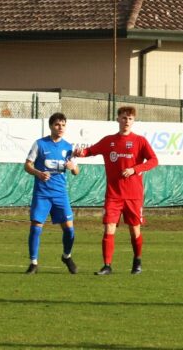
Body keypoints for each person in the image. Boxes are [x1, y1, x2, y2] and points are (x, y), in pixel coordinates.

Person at [73, 106, 158, 275]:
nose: (127, 121)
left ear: (133, 121)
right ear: (117, 119)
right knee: (109, 228)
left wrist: (135, 169)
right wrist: (80, 153)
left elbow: (154, 160)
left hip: (133, 195)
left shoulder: (140, 141)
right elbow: (90, 151)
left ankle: (137, 261)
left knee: (134, 230)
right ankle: (107, 265)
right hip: (113, 195)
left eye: (130, 118)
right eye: (124, 118)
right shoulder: (108, 141)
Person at [24, 112, 79, 274]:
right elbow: (27, 165)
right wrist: (38, 173)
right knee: (36, 227)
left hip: (60, 195)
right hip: (42, 194)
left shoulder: (68, 147)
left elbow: (76, 171)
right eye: (57, 124)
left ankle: (67, 256)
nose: (60, 128)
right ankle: (33, 263)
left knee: (69, 230)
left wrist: (73, 167)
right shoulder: (39, 144)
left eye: (63, 125)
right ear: (50, 126)